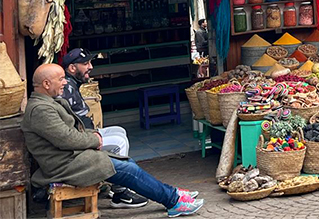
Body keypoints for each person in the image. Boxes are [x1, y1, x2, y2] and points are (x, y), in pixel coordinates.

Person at [21, 64, 204, 217]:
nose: (64, 83)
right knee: (127, 169)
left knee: (128, 163)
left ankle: (172, 193)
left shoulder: (46, 103)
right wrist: (93, 140)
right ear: (46, 84)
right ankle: (173, 202)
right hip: (63, 165)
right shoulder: (41, 110)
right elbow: (67, 139)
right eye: (60, 79)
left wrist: (93, 136)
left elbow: (68, 134)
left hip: (72, 158)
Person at [59, 48, 146, 207]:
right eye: (85, 63)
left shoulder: (71, 83)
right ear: (72, 68)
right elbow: (70, 126)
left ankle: (115, 184)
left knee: (120, 131)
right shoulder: (66, 88)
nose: (90, 67)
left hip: (83, 134)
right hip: (77, 142)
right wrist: (91, 137)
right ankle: (120, 194)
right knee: (119, 142)